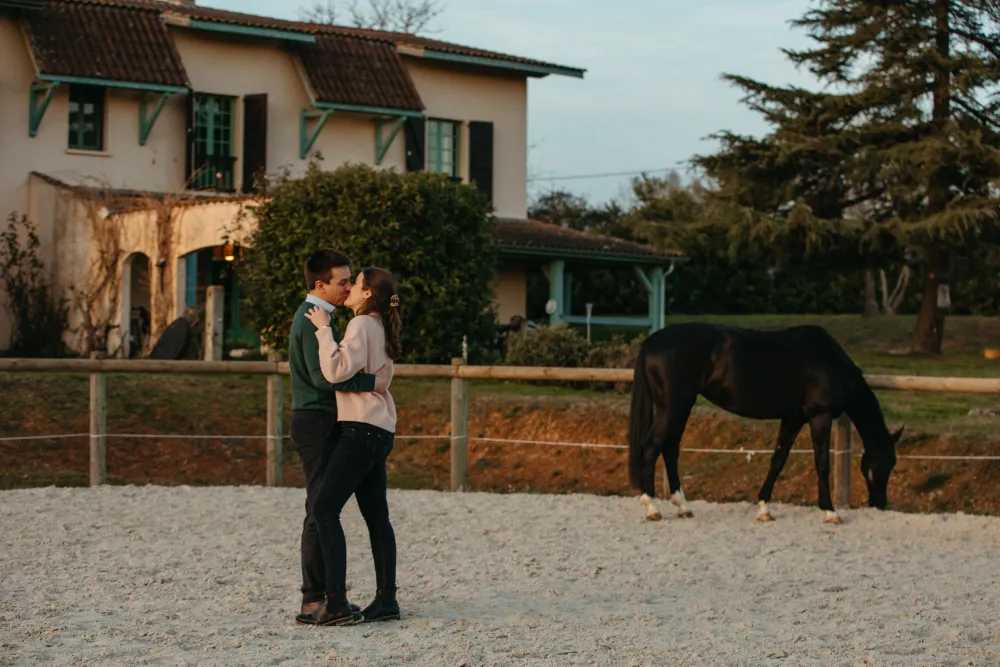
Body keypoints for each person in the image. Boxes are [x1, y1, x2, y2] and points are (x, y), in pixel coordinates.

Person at [288, 249, 391, 625]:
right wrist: (373, 382)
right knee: (319, 508)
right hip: (316, 420)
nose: (348, 287)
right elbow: (322, 378)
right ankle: (315, 598)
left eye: (351, 282)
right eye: (342, 282)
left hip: (335, 420)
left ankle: (326, 597)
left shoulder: (330, 319)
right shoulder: (310, 319)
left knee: (323, 507)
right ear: (321, 285)